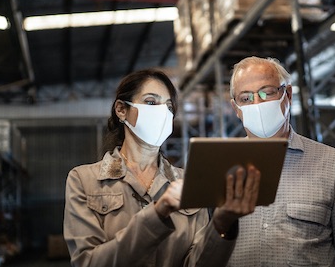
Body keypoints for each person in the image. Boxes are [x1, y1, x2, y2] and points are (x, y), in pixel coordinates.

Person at [63, 69, 261, 267]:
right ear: (121, 110)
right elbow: (87, 263)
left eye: (169, 107)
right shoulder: (84, 180)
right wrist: (157, 214)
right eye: (151, 102)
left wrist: (222, 224)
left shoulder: (189, 183)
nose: (162, 113)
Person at [227, 56, 335, 266]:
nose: (257, 104)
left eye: (267, 92)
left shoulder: (331, 164)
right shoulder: (220, 168)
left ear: (287, 94)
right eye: (246, 98)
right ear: (236, 109)